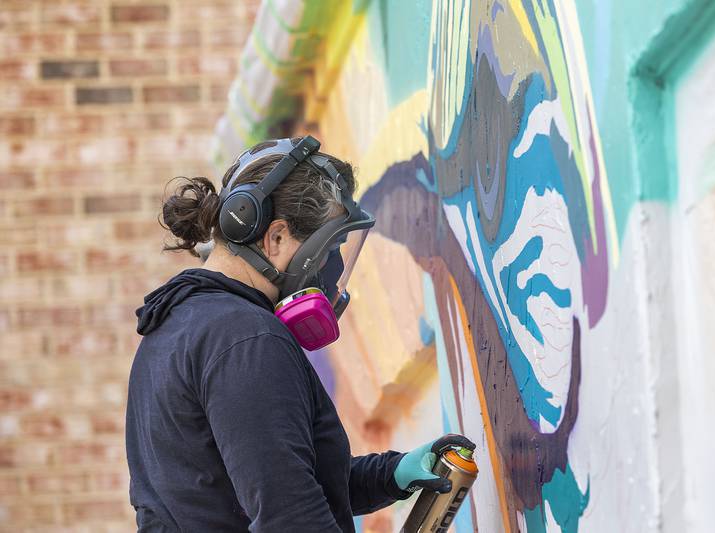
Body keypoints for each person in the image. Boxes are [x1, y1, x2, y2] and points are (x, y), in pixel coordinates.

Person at [125, 136, 475, 532]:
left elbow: (278, 480)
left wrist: (391, 474)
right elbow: (290, 516)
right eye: (332, 245)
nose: (333, 266)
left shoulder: (174, 328)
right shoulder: (248, 340)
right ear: (275, 238)